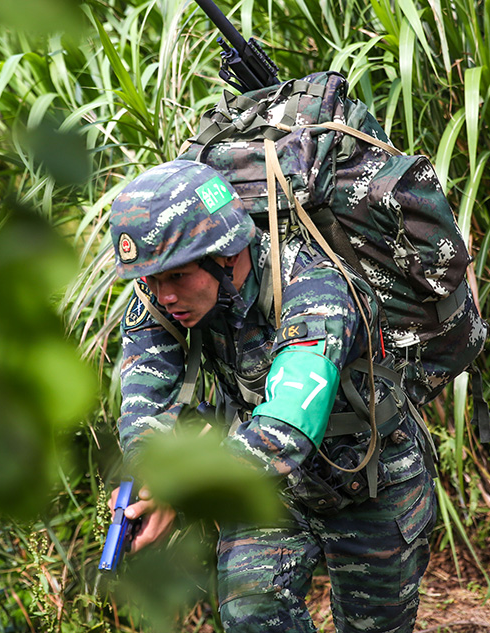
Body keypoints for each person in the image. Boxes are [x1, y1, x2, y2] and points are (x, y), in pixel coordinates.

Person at [108, 159, 437, 633]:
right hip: (269, 487)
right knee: (250, 614)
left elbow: (286, 429)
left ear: (225, 255)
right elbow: (143, 410)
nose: (164, 297)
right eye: (152, 280)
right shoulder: (158, 301)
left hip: (370, 482)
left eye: (176, 276)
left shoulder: (315, 288)